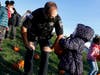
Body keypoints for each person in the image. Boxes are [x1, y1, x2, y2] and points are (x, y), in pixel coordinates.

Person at [21, 1, 63, 75]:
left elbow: (60, 35)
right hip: (33, 35)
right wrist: (26, 43)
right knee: (30, 50)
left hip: (45, 38)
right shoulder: (35, 13)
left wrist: (52, 48)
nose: (54, 18)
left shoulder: (57, 17)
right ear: (45, 13)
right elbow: (24, 27)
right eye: (51, 16)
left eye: (55, 16)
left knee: (46, 54)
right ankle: (28, 72)